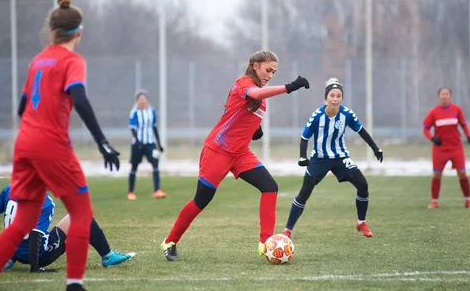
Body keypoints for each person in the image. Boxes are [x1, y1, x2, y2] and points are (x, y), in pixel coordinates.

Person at [0, 0, 120, 291]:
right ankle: (75, 290)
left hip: (25, 144)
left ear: (52, 31)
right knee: (81, 214)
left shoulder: (39, 59)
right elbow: (79, 98)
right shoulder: (73, 61)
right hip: (51, 145)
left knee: (23, 221)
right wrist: (103, 142)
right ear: (79, 32)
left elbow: (23, 106)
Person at [160, 50, 310, 261]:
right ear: (256, 65)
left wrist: (254, 130)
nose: (270, 75)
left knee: (270, 187)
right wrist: (290, 87)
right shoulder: (243, 83)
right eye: (268, 70)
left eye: (274, 72)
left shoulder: (261, 97)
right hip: (218, 150)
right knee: (201, 200)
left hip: (240, 154)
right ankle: (170, 241)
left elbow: (245, 115)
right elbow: (254, 96)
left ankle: (265, 243)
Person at [282, 78, 383, 239]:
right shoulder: (317, 116)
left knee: (363, 185)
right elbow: (304, 137)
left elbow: (361, 131)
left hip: (340, 157)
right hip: (319, 159)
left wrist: (375, 148)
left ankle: (361, 222)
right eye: (332, 95)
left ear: (341, 98)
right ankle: (288, 230)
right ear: (326, 98)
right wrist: (302, 156)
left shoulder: (347, 114)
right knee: (304, 193)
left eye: (338, 96)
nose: (335, 99)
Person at [0, 185, 135, 272]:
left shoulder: (8, 189)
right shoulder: (43, 201)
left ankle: (10, 259)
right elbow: (35, 235)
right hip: (38, 255)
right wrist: (36, 266)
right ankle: (107, 256)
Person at [423, 87, 470, 209]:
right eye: (442, 94)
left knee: (462, 173)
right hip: (440, 148)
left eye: (447, 94)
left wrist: (469, 137)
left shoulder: (456, 110)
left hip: (456, 147)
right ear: (439, 96)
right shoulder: (434, 112)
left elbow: (464, 125)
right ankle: (434, 201)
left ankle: (468, 200)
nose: (444, 96)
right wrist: (432, 138)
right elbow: (425, 129)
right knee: (436, 175)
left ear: (450, 96)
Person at [127, 89, 166, 200]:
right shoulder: (134, 112)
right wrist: (138, 142)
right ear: (138, 100)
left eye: (144, 99)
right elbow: (133, 129)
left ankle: (157, 190)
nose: (143, 101)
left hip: (150, 143)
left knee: (155, 164)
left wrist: (159, 144)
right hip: (137, 144)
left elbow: (154, 128)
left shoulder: (151, 111)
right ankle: (130, 192)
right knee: (134, 166)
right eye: (140, 99)